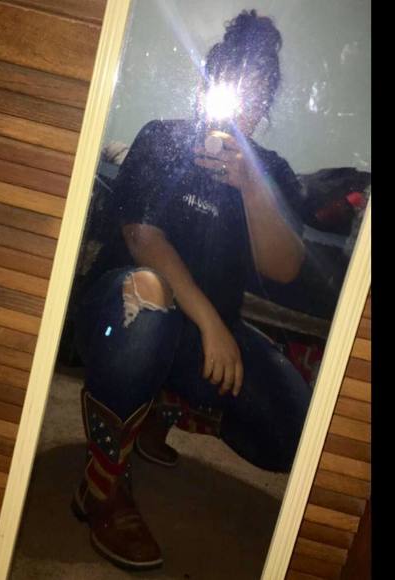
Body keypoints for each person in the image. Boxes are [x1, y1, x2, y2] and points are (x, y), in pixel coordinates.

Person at [70, 9, 312, 571]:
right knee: (149, 294)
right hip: (127, 313)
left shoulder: (270, 170)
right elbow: (140, 235)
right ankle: (103, 484)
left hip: (202, 335)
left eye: (258, 95)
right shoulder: (163, 137)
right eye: (235, 87)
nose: (244, 106)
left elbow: (284, 268)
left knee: (297, 432)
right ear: (209, 84)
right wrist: (210, 322)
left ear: (266, 103)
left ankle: (165, 407)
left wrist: (251, 185)